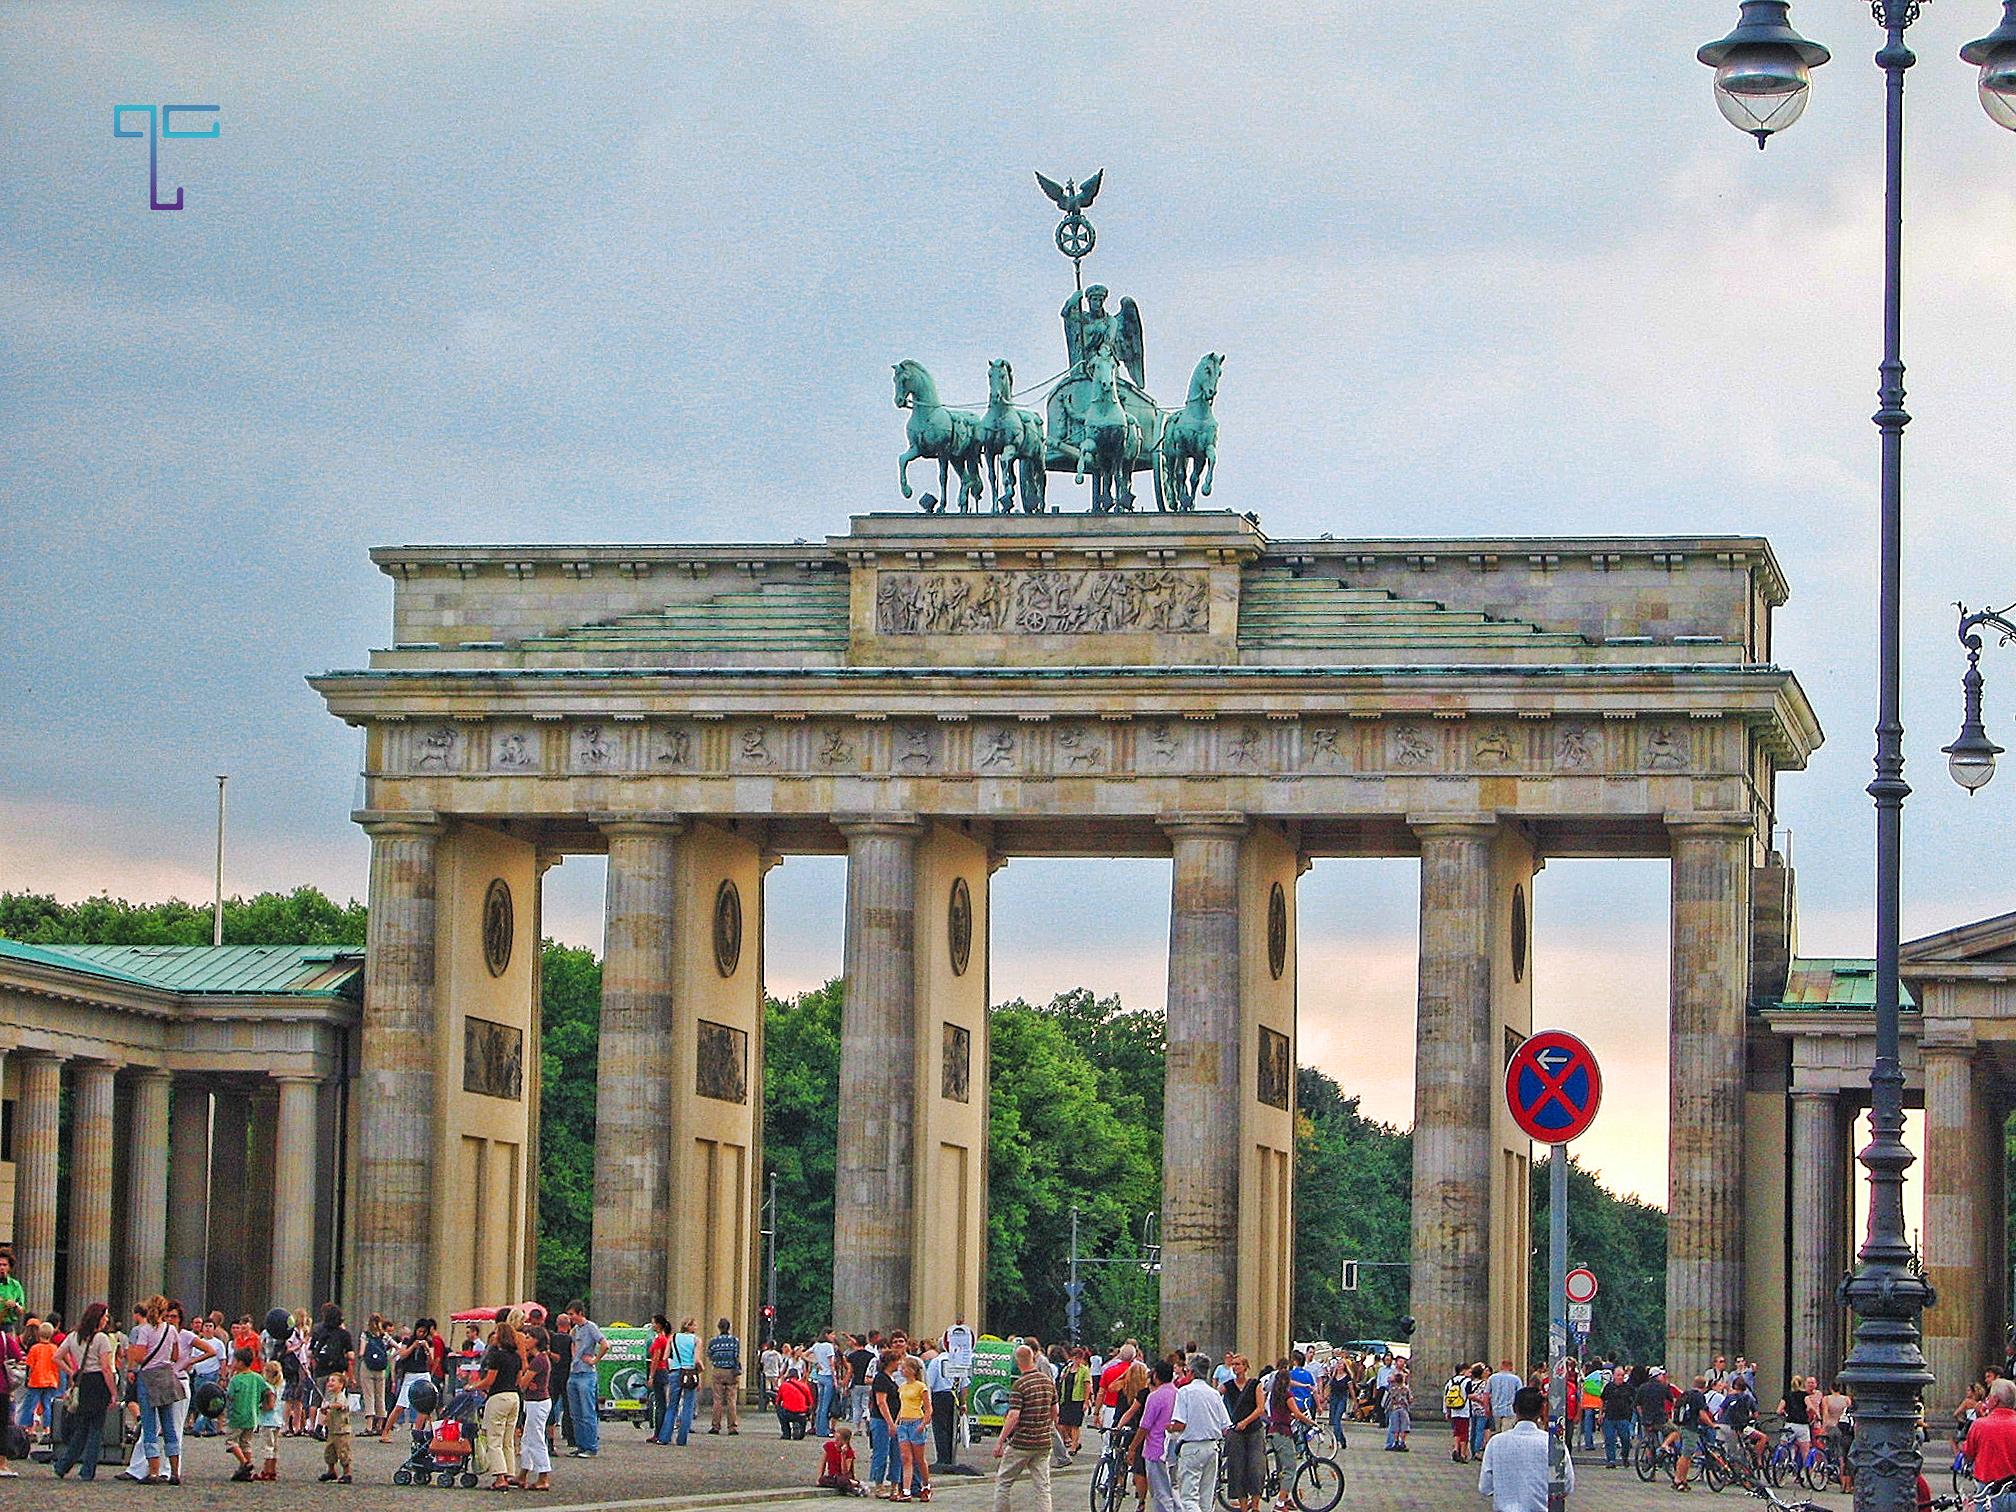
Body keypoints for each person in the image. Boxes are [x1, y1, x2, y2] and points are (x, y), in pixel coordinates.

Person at [1479, 1385, 1573, 1512]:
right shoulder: (1552, 1443)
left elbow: (1485, 1487)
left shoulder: (1496, 1442)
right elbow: (1566, 1485)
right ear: (1541, 1410)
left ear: (1514, 1408)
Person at [51, 1302, 117, 1480]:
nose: (106, 1319)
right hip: (98, 1382)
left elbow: (56, 1357)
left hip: (83, 1381)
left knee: (82, 1427)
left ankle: (63, 1465)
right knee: (96, 1429)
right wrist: (113, 1391)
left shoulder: (73, 1336)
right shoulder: (101, 1339)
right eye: (105, 1316)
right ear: (98, 1318)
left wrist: (71, 1371)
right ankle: (88, 1469)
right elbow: (105, 1368)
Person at [995, 1343, 1061, 1512]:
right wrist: (1047, 1426)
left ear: (1018, 1362)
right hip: (1043, 1442)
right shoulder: (1047, 1381)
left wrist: (1000, 1441)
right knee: (1042, 1486)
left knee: (1004, 1482)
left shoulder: (1020, 1385)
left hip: (1022, 1443)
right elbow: (1055, 1410)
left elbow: (1013, 1416)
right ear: (1033, 1358)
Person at [127, 1295, 184, 1484]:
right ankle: (174, 1472)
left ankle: (153, 1472)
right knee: (169, 1426)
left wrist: (133, 1352)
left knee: (150, 1426)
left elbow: (140, 1357)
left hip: (149, 1377)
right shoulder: (171, 1330)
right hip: (166, 1376)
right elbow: (176, 1356)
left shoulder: (145, 1330)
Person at [1166, 1353, 1230, 1512]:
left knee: (1189, 1498)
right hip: (1212, 1446)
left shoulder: (1185, 1392)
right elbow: (1225, 1425)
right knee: (1206, 1497)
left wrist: (1169, 1427)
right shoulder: (1214, 1394)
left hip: (1191, 1446)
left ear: (1191, 1372)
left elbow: (1180, 1424)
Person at [474, 1319, 523, 1490]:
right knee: (507, 1439)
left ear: (500, 1337)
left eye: (495, 1333)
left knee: (494, 1438)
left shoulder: (496, 1356)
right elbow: (518, 1379)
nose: (493, 1336)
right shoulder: (516, 1357)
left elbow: (489, 1380)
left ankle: (500, 1477)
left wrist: (472, 1386)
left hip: (498, 1397)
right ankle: (510, 1473)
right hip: (514, 1397)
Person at [1132, 1357, 1179, 1512]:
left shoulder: (1155, 1397)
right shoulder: (1179, 1394)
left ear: (1156, 1376)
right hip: (1175, 1447)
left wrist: (1133, 1447)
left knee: (1160, 1493)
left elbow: (1144, 1426)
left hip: (1156, 1448)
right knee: (1174, 1490)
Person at [1220, 1354, 1264, 1512]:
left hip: (1253, 1430)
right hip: (1236, 1432)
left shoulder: (1255, 1385)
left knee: (1256, 1467)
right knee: (1237, 1469)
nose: (1235, 1367)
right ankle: (1243, 1506)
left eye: (1238, 1364)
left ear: (1245, 1367)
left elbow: (1260, 1408)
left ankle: (1256, 1505)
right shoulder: (1228, 1386)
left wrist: (1246, 1422)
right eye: (1233, 1364)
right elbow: (1215, 1398)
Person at [222, 1346, 270, 1482]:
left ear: (241, 1363)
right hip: (252, 1416)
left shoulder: (236, 1380)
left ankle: (245, 1463)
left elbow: (230, 1397)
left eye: (235, 1361)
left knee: (231, 1441)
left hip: (237, 1416)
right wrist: (265, 1404)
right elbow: (268, 1391)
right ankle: (246, 1472)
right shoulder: (257, 1377)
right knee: (246, 1443)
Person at [564, 1301, 604, 1458]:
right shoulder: (575, 1330)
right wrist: (576, 1357)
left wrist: (594, 1360)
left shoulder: (591, 1327)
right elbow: (572, 1344)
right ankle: (580, 1445)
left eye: (572, 1314)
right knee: (575, 1413)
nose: (570, 1317)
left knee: (587, 1412)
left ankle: (591, 1446)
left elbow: (605, 1344)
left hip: (586, 1374)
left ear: (580, 1313)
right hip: (574, 1373)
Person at [518, 1324, 555, 1491]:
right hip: (534, 1401)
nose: (525, 1340)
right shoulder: (538, 1359)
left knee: (536, 1438)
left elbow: (522, 1383)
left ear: (537, 1341)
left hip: (538, 1402)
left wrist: (523, 1360)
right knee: (527, 1438)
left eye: (529, 1337)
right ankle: (523, 1473)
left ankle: (543, 1475)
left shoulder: (539, 1360)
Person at [1965, 1378, 2016, 1488]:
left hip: (1989, 1488)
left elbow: (1969, 1455)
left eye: (1989, 1397)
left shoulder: (1980, 1425)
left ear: (1995, 1400)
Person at [894, 1356, 932, 1502]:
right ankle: (906, 1490)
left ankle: (926, 1485)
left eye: (905, 1368)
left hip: (916, 1422)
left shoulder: (921, 1386)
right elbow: (902, 1406)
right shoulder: (902, 1387)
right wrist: (897, 1422)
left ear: (913, 1370)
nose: (902, 1370)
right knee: (906, 1458)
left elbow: (928, 1408)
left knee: (919, 1459)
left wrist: (923, 1424)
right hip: (903, 1423)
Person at [16, 1321, 59, 1444]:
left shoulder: (35, 1348)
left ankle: (30, 1430)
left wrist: (27, 1379)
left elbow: (29, 1365)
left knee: (31, 1405)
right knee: (47, 1406)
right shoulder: (54, 1348)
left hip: (36, 1380)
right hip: (50, 1380)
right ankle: (47, 1430)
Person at [925, 1342, 959, 1471]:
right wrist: (963, 1402)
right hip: (953, 1395)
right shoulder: (958, 1362)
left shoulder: (936, 1362)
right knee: (952, 1428)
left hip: (939, 1396)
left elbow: (929, 1384)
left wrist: (927, 1403)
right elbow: (964, 1384)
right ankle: (950, 1457)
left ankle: (942, 1458)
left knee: (940, 1428)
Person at [709, 1316, 743, 1435]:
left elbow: (710, 1355)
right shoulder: (734, 1341)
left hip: (718, 1370)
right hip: (731, 1371)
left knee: (717, 1399)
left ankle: (715, 1426)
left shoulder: (713, 1341)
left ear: (719, 1328)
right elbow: (736, 1355)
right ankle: (732, 1427)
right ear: (729, 1327)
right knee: (731, 1400)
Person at [318, 1373, 354, 1482]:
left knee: (343, 1452)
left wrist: (328, 1406)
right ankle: (331, 1471)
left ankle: (347, 1473)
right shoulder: (332, 1397)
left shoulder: (341, 1396)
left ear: (341, 1384)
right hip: (332, 1431)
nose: (330, 1383)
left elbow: (339, 1405)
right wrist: (325, 1412)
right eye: (329, 1381)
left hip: (342, 1431)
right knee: (329, 1452)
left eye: (333, 1381)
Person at [1600, 1364, 1638, 1468]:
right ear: (1614, 1376)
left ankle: (1624, 1457)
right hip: (1609, 1417)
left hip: (1623, 1417)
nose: (1620, 1377)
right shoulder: (1609, 1387)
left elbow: (1635, 1400)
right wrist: (1600, 1414)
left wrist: (1632, 1410)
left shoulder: (1628, 1388)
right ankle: (1611, 1460)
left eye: (1622, 1375)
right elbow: (1602, 1400)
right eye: (1618, 1375)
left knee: (1625, 1439)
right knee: (1609, 1439)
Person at [255, 1359, 285, 1480]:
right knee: (275, 1446)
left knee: (268, 1446)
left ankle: (266, 1470)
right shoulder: (279, 1386)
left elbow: (270, 1405)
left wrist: (260, 1407)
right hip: (277, 1420)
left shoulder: (268, 1387)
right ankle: (272, 1470)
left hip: (268, 1420)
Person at [648, 1314, 676, 1442]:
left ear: (659, 1325)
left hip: (659, 1371)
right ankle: (663, 1433)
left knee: (660, 1404)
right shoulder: (665, 1338)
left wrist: (651, 1376)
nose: (652, 1325)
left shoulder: (659, 1340)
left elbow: (655, 1359)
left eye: (653, 1323)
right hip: (664, 1371)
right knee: (662, 1403)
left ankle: (658, 1433)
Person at [822, 1422, 869, 1495]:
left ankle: (855, 1484)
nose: (836, 1442)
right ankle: (854, 1487)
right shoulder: (829, 1446)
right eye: (835, 1439)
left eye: (838, 1440)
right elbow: (823, 1463)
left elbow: (845, 1472)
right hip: (833, 1476)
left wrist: (843, 1456)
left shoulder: (849, 1453)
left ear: (845, 1441)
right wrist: (819, 1476)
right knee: (823, 1480)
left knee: (841, 1481)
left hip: (843, 1477)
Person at [812, 1330, 840, 1439]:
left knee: (820, 1404)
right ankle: (824, 1430)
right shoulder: (829, 1346)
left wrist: (816, 1363)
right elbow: (831, 1363)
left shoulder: (817, 1345)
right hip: (828, 1375)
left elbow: (804, 1354)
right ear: (826, 1335)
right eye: (832, 1334)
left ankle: (819, 1428)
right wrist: (835, 1379)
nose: (834, 1336)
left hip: (820, 1375)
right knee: (826, 1405)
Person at [1485, 1359, 1523, 1438]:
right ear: (1511, 1367)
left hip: (1496, 1409)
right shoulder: (1516, 1379)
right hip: (1510, 1410)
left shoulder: (1492, 1378)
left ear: (1501, 1366)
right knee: (1506, 1432)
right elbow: (1520, 1395)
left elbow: (1486, 1394)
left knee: (1496, 1432)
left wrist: (1487, 1408)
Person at [1446, 1364, 1475, 1462]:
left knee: (1457, 1431)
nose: (1470, 1374)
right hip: (1464, 1410)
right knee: (1464, 1433)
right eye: (1469, 1371)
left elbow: (1446, 1396)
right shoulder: (1467, 1381)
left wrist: (1447, 1411)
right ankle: (1462, 1454)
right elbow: (1469, 1395)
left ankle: (1455, 1448)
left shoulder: (1450, 1381)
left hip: (1454, 1410)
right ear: (1463, 1371)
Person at [778, 1371, 815, 1439]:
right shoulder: (804, 1386)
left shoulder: (783, 1385)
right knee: (802, 1419)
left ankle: (786, 1433)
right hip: (802, 1413)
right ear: (798, 1377)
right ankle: (801, 1433)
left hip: (788, 1413)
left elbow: (778, 1401)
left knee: (779, 1411)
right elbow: (810, 1402)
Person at [1385, 1362, 1413, 1452]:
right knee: (1404, 1426)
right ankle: (1403, 1443)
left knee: (1395, 1426)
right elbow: (1410, 1399)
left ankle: (1395, 1442)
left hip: (1394, 1408)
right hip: (1403, 1409)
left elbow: (1389, 1397)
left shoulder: (1392, 1388)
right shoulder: (1406, 1389)